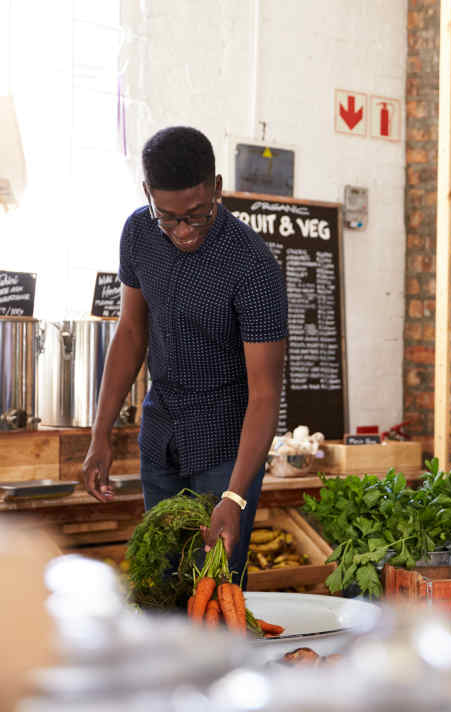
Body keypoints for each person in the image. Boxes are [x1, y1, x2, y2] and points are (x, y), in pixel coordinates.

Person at [81, 126, 288, 584]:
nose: (182, 231)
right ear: (148, 195)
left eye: (196, 215)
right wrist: (101, 434)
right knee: (161, 583)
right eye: (168, 217)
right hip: (160, 439)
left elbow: (265, 395)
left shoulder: (252, 267)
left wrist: (234, 499)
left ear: (216, 189)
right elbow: (132, 331)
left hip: (224, 451)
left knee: (213, 590)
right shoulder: (138, 232)